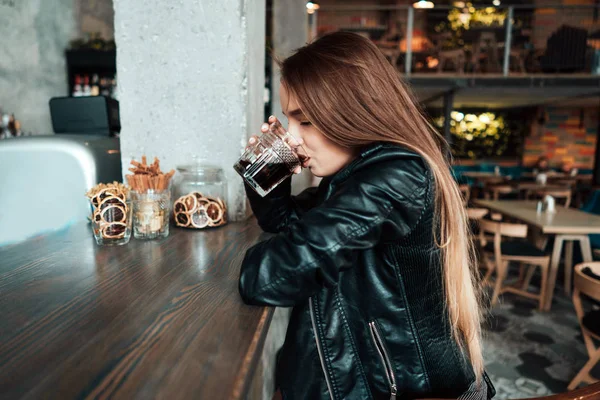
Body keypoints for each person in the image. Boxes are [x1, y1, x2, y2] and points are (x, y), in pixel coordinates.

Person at [238, 31, 494, 400]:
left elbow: (270, 276)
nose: (292, 138)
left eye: (305, 121)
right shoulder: (348, 178)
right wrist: (264, 171)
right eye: (288, 122)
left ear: (351, 113)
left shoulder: (397, 175)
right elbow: (286, 226)